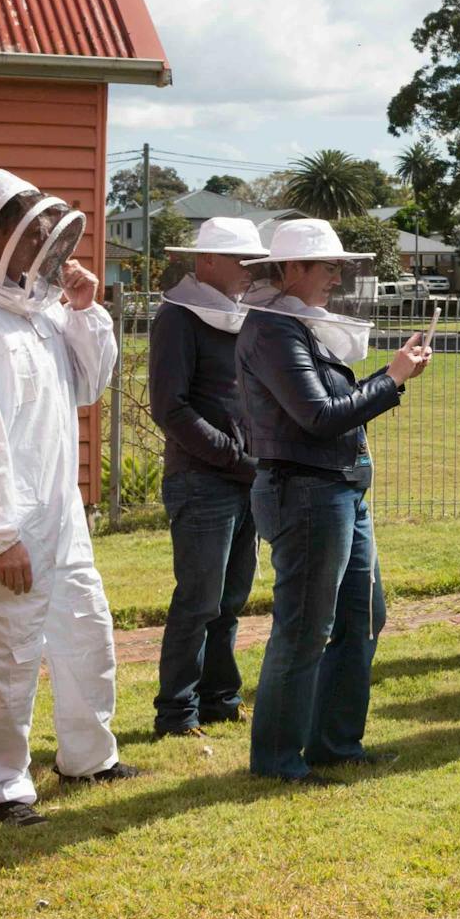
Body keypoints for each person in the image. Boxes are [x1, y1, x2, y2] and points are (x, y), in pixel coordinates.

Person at [0, 171, 129, 824]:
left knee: (85, 627)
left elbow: (87, 385)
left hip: (59, 512)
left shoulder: (38, 309)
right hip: (1, 522)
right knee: (5, 651)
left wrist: (82, 311)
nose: (47, 246)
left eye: (50, 233)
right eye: (35, 233)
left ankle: (89, 755)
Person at [237, 220, 431, 782]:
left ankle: (335, 744)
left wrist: (391, 376)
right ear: (292, 269)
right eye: (328, 266)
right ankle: (276, 761)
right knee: (304, 629)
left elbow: (333, 400)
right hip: (307, 494)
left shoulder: (297, 324)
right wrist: (391, 380)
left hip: (337, 489)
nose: (337, 276)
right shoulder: (275, 330)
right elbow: (319, 416)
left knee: (362, 616)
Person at [148, 217, 270, 741]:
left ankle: (220, 700)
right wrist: (231, 456)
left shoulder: (236, 313)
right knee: (198, 600)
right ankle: (176, 713)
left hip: (241, 478)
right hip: (202, 480)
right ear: (207, 262)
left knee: (230, 598)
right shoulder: (177, 316)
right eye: (242, 261)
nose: (250, 271)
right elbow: (169, 406)